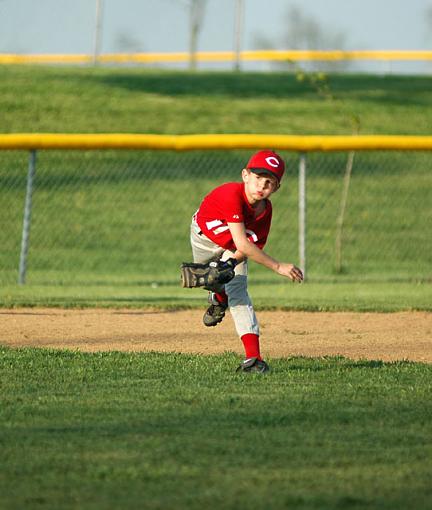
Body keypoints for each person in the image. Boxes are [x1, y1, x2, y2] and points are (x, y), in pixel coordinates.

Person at [187, 149, 303, 373]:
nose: (262, 186)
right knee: (207, 279)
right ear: (245, 176)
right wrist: (278, 266)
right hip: (204, 239)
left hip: (236, 247)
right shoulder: (231, 194)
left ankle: (253, 359)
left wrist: (230, 264)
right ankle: (218, 297)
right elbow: (243, 243)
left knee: (238, 290)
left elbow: (249, 246)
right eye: (258, 178)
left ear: (277, 188)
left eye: (269, 182)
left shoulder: (265, 211)